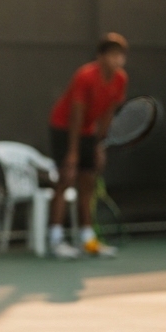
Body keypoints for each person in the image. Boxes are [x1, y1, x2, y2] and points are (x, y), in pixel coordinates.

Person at [47, 32, 129, 260]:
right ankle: (55, 240)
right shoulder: (85, 76)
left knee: (87, 185)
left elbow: (107, 116)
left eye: (120, 55)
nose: (117, 60)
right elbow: (76, 115)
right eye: (112, 55)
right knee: (64, 181)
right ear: (100, 57)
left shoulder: (121, 79)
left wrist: (99, 146)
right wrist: (72, 153)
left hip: (89, 133)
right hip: (64, 128)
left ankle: (87, 240)